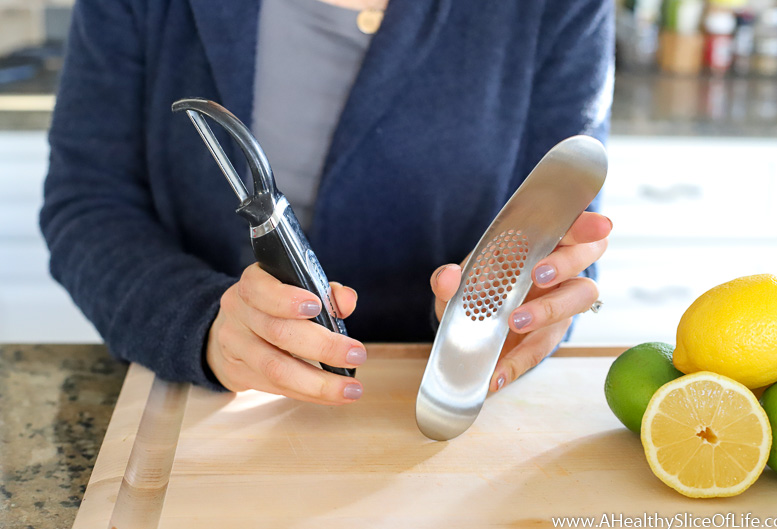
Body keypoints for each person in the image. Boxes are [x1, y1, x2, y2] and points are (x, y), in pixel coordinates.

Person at [40, 0, 614, 406]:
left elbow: (561, 225)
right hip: (205, 401)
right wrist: (202, 324)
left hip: (440, 400)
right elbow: (88, 203)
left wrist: (528, 299)